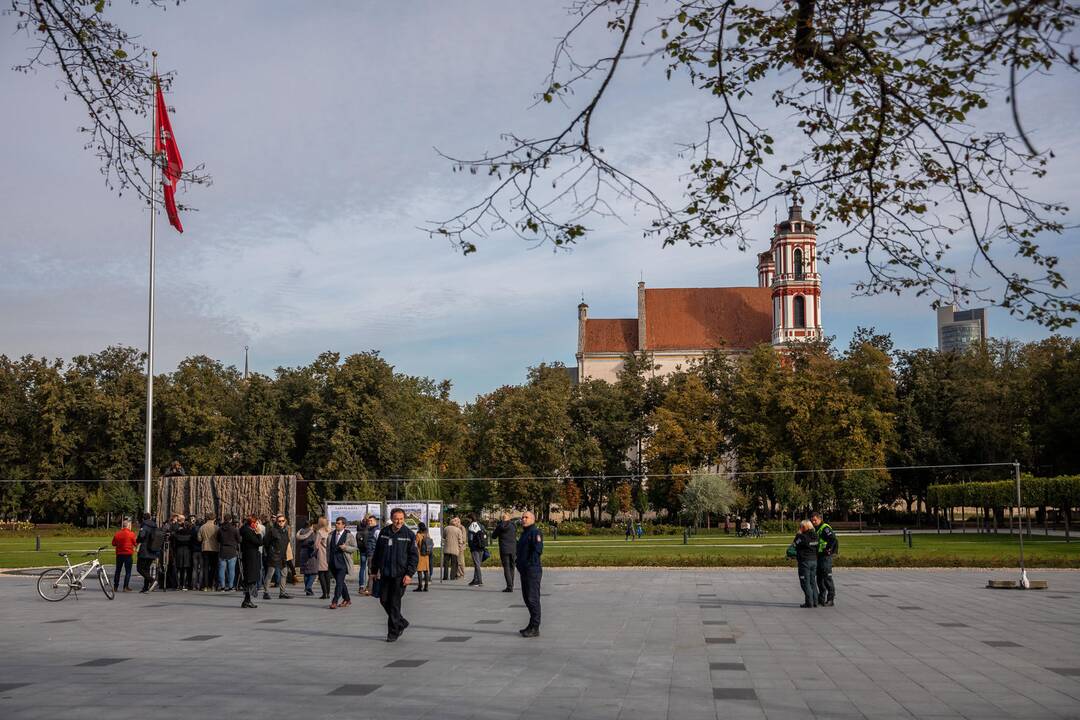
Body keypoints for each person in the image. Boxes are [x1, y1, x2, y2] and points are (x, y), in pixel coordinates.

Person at [371, 508, 419, 642]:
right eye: (396, 519)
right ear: (392, 519)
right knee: (383, 600)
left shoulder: (409, 534)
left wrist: (409, 574)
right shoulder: (384, 532)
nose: (399, 521)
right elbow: (378, 553)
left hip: (400, 575)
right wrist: (374, 571)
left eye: (401, 519)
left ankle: (393, 632)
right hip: (386, 573)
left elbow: (414, 557)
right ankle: (401, 622)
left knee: (394, 603)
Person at [515, 510, 543, 637]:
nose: (523, 519)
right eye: (522, 517)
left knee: (533, 599)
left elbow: (537, 550)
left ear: (533, 519)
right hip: (524, 571)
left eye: (526, 517)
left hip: (532, 570)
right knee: (527, 598)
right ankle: (531, 624)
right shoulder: (524, 533)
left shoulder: (535, 532)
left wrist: (528, 564)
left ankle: (535, 627)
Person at [327, 517, 356, 609]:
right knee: (341, 582)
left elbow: (354, 548)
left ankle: (334, 601)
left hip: (343, 563)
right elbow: (328, 549)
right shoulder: (331, 534)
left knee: (339, 583)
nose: (337, 525)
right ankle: (347, 599)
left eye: (339, 523)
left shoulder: (349, 535)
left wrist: (345, 547)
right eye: (336, 523)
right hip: (332, 562)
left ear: (344, 525)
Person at [262, 513, 292, 600]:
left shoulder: (285, 531)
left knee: (284, 573)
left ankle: (282, 593)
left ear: (285, 521)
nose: (281, 522)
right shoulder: (273, 531)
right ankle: (265, 592)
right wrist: (270, 551)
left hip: (283, 556)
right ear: (277, 522)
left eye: (283, 521)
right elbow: (266, 542)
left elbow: (286, 543)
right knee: (270, 574)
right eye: (279, 521)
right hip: (274, 555)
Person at [811, 511, 838, 607]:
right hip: (819, 555)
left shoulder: (825, 528)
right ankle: (821, 598)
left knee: (827, 578)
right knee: (819, 579)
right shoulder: (816, 528)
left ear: (819, 519)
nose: (813, 522)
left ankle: (830, 599)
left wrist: (828, 550)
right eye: (812, 520)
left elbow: (833, 539)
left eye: (815, 520)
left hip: (826, 556)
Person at [793, 520, 819, 608]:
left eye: (801, 527)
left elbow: (794, 544)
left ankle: (809, 602)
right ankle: (815, 601)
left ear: (804, 527)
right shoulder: (816, 536)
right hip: (814, 561)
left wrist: (798, 534)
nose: (800, 528)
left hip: (805, 561)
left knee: (805, 582)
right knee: (812, 582)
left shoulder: (803, 537)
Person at [239, 514, 263, 609]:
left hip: (250, 556)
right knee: (250, 578)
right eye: (256, 523)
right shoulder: (248, 531)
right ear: (252, 523)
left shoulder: (246, 530)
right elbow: (259, 543)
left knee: (249, 579)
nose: (257, 524)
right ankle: (247, 600)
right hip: (250, 557)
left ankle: (247, 600)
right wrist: (259, 533)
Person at [135, 512, 162, 593]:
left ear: (143, 518)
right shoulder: (155, 525)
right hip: (153, 549)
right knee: (146, 569)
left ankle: (152, 580)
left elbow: (142, 536)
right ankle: (145, 587)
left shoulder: (144, 525)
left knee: (139, 568)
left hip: (144, 549)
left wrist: (138, 540)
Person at [491, 512, 517, 592]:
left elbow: (493, 536)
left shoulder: (500, 526)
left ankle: (509, 586)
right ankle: (511, 584)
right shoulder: (513, 525)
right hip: (513, 548)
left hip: (504, 548)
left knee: (506, 567)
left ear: (502, 518)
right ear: (509, 518)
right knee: (512, 567)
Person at [111, 519, 137, 592]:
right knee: (128, 571)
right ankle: (125, 587)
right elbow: (135, 543)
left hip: (119, 554)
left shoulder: (117, 533)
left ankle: (115, 587)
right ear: (128, 526)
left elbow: (113, 543)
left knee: (118, 571)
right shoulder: (131, 534)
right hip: (128, 554)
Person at [217, 515, 241, 592]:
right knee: (231, 570)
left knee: (222, 569)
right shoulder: (234, 529)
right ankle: (231, 586)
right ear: (230, 520)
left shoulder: (220, 529)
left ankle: (222, 586)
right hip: (232, 550)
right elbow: (239, 540)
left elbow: (218, 539)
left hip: (223, 550)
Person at [296, 519, 318, 596]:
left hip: (302, 552)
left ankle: (308, 590)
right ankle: (308, 587)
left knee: (306, 572)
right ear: (311, 525)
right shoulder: (312, 532)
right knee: (313, 572)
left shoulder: (301, 531)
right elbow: (314, 542)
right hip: (310, 552)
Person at [197, 515, 219, 591]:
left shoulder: (202, 527)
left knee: (205, 567)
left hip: (205, 548)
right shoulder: (216, 528)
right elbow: (219, 538)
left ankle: (205, 586)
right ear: (214, 519)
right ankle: (211, 585)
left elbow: (199, 539)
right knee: (213, 567)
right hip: (214, 548)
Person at [173, 517, 195, 590]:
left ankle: (179, 584)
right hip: (187, 551)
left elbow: (174, 543)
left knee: (180, 569)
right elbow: (192, 543)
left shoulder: (177, 533)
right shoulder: (190, 533)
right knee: (188, 569)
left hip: (179, 551)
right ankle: (187, 584)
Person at [467, 515, 488, 587]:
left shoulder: (471, 526)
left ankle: (479, 581)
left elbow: (470, 539)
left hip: (475, 548)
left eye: (468, 519)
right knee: (478, 563)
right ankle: (475, 580)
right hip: (482, 547)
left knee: (477, 564)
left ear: (471, 519)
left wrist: (471, 547)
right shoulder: (481, 525)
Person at [443, 516, 465, 580]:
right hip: (455, 550)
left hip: (446, 549)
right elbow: (460, 540)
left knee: (446, 564)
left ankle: (445, 576)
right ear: (455, 524)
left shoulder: (446, 528)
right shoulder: (458, 530)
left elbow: (443, 536)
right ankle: (452, 576)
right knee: (454, 564)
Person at [314, 516, 331, 599]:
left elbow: (316, 545)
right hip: (328, 555)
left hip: (321, 555)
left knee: (321, 574)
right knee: (327, 574)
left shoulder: (319, 532)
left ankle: (324, 593)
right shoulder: (329, 531)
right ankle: (328, 592)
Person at [363, 515, 379, 596]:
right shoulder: (370, 530)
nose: (369, 522)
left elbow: (379, 543)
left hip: (373, 554)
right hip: (370, 553)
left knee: (371, 572)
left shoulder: (376, 531)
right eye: (368, 521)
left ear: (375, 521)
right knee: (371, 572)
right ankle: (369, 588)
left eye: (371, 521)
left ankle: (370, 589)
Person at [414, 522, 432, 592]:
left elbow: (415, 544)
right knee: (426, 571)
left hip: (420, 554)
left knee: (419, 571)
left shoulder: (418, 535)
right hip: (426, 555)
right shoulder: (427, 534)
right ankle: (426, 586)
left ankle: (420, 586)